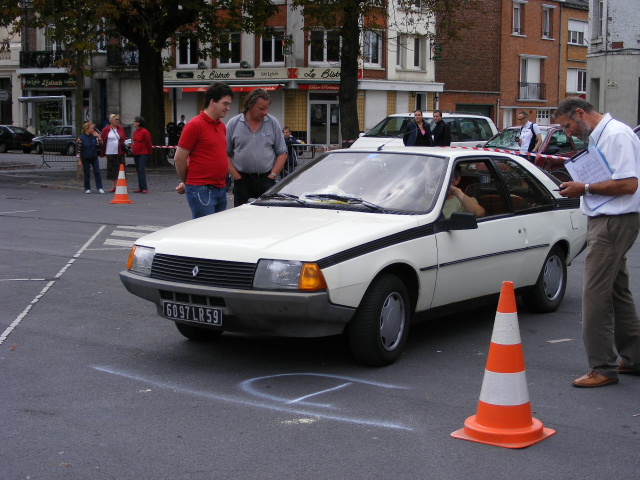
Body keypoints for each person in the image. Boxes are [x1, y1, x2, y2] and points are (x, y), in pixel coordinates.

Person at [555, 96, 640, 388]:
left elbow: (629, 184)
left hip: (612, 222)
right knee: (617, 292)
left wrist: (585, 187)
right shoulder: (605, 135)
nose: (568, 133)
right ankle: (633, 357)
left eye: (567, 126)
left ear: (580, 113)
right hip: (609, 220)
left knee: (595, 295)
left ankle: (602, 367)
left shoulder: (616, 135)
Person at [174, 82, 234, 219]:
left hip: (220, 187)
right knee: (205, 233)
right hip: (202, 189)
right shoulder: (195, 125)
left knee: (215, 233)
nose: (228, 108)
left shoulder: (221, 126)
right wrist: (189, 182)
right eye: (225, 104)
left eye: (229, 104)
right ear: (213, 102)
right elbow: (179, 158)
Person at [227, 88, 288, 207]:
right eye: (261, 108)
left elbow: (282, 153)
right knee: (240, 217)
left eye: (267, 108)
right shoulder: (234, 123)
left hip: (266, 179)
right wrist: (236, 177)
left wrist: (272, 176)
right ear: (250, 105)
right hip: (242, 179)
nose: (265, 112)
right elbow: (225, 154)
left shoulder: (272, 122)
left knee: (266, 217)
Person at [100, 113, 127, 192]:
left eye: (118, 119)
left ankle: (120, 185)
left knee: (120, 168)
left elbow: (123, 138)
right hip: (110, 151)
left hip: (119, 151)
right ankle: (113, 185)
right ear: (111, 120)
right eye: (116, 119)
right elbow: (103, 139)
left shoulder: (121, 128)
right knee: (112, 169)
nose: (117, 121)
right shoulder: (106, 129)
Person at [77, 122, 104, 194]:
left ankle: (100, 187)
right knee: (87, 173)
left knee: (97, 172)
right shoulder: (81, 138)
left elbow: (100, 144)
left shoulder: (94, 137)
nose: (93, 129)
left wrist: (98, 137)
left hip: (94, 157)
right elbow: (78, 150)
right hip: (86, 157)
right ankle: (87, 188)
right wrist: (79, 160)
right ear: (87, 129)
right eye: (91, 128)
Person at [132, 116, 152, 194]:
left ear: (138, 123)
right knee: (138, 170)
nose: (134, 122)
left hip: (143, 152)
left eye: (135, 121)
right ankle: (140, 187)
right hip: (136, 152)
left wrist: (149, 152)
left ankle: (144, 187)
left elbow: (148, 143)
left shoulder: (145, 132)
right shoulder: (135, 132)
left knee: (141, 170)